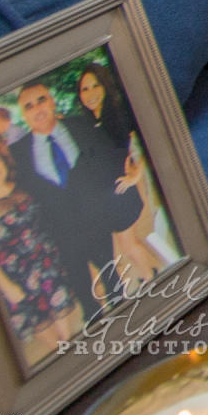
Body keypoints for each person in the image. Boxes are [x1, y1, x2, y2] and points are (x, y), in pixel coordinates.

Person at [0, 139, 80, 359]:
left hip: (48, 269)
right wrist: (7, 288)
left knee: (68, 339)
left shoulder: (24, 188)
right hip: (18, 283)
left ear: (4, 161)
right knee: (57, 350)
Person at [9, 85, 113, 320]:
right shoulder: (16, 153)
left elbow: (105, 162)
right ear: (24, 115)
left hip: (96, 221)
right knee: (86, 298)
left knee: (113, 280)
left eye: (41, 100)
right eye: (29, 106)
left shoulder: (79, 125)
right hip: (60, 234)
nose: (37, 108)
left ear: (52, 101)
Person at [72, 68, 163, 293]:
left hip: (121, 191)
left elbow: (145, 143)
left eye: (95, 86)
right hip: (110, 195)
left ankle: (152, 283)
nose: (90, 93)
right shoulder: (90, 120)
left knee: (129, 245)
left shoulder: (117, 115)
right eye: (85, 89)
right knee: (129, 244)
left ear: (105, 86)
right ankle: (150, 276)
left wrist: (137, 174)